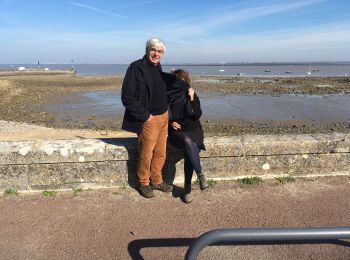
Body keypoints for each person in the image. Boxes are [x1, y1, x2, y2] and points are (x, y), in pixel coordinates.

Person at [121, 38, 173, 198]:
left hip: (163, 116)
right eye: (153, 50)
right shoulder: (135, 67)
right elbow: (127, 97)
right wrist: (146, 116)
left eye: (160, 51)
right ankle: (143, 182)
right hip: (149, 120)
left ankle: (157, 180)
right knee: (146, 153)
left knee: (161, 152)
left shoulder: (158, 67)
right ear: (147, 50)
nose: (156, 54)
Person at [167, 69, 208, 203]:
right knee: (187, 141)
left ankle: (188, 189)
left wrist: (191, 98)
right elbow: (163, 114)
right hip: (178, 133)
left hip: (195, 130)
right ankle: (200, 174)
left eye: (183, 80)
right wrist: (170, 122)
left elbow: (196, 115)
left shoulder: (192, 95)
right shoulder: (168, 96)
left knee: (190, 152)